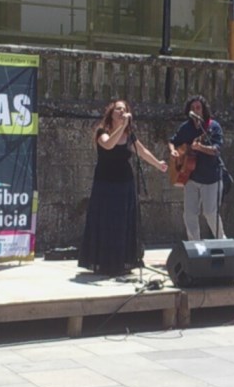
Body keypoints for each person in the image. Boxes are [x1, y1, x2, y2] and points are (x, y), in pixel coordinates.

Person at [78, 100, 168, 276]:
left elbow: (142, 151)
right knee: (106, 222)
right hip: (105, 183)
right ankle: (105, 262)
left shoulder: (129, 135)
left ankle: (122, 261)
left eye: (124, 109)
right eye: (118, 109)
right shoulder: (102, 132)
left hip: (125, 183)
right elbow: (109, 145)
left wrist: (158, 164)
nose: (121, 112)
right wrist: (122, 126)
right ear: (111, 113)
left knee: (122, 223)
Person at [168, 95, 226, 241]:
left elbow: (216, 150)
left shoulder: (213, 127)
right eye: (192, 108)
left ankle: (222, 241)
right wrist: (173, 151)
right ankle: (195, 245)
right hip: (191, 177)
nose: (195, 110)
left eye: (198, 107)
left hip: (210, 177)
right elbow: (172, 141)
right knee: (189, 214)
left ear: (203, 109)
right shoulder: (186, 127)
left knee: (210, 213)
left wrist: (200, 148)